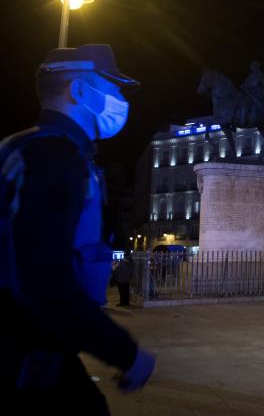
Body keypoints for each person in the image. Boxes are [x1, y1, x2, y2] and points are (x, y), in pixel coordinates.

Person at [0, 45, 156, 414]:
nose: (121, 100)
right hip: (26, 350)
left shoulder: (20, 147)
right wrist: (127, 353)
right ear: (80, 92)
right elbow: (44, 277)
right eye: (114, 89)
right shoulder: (56, 157)